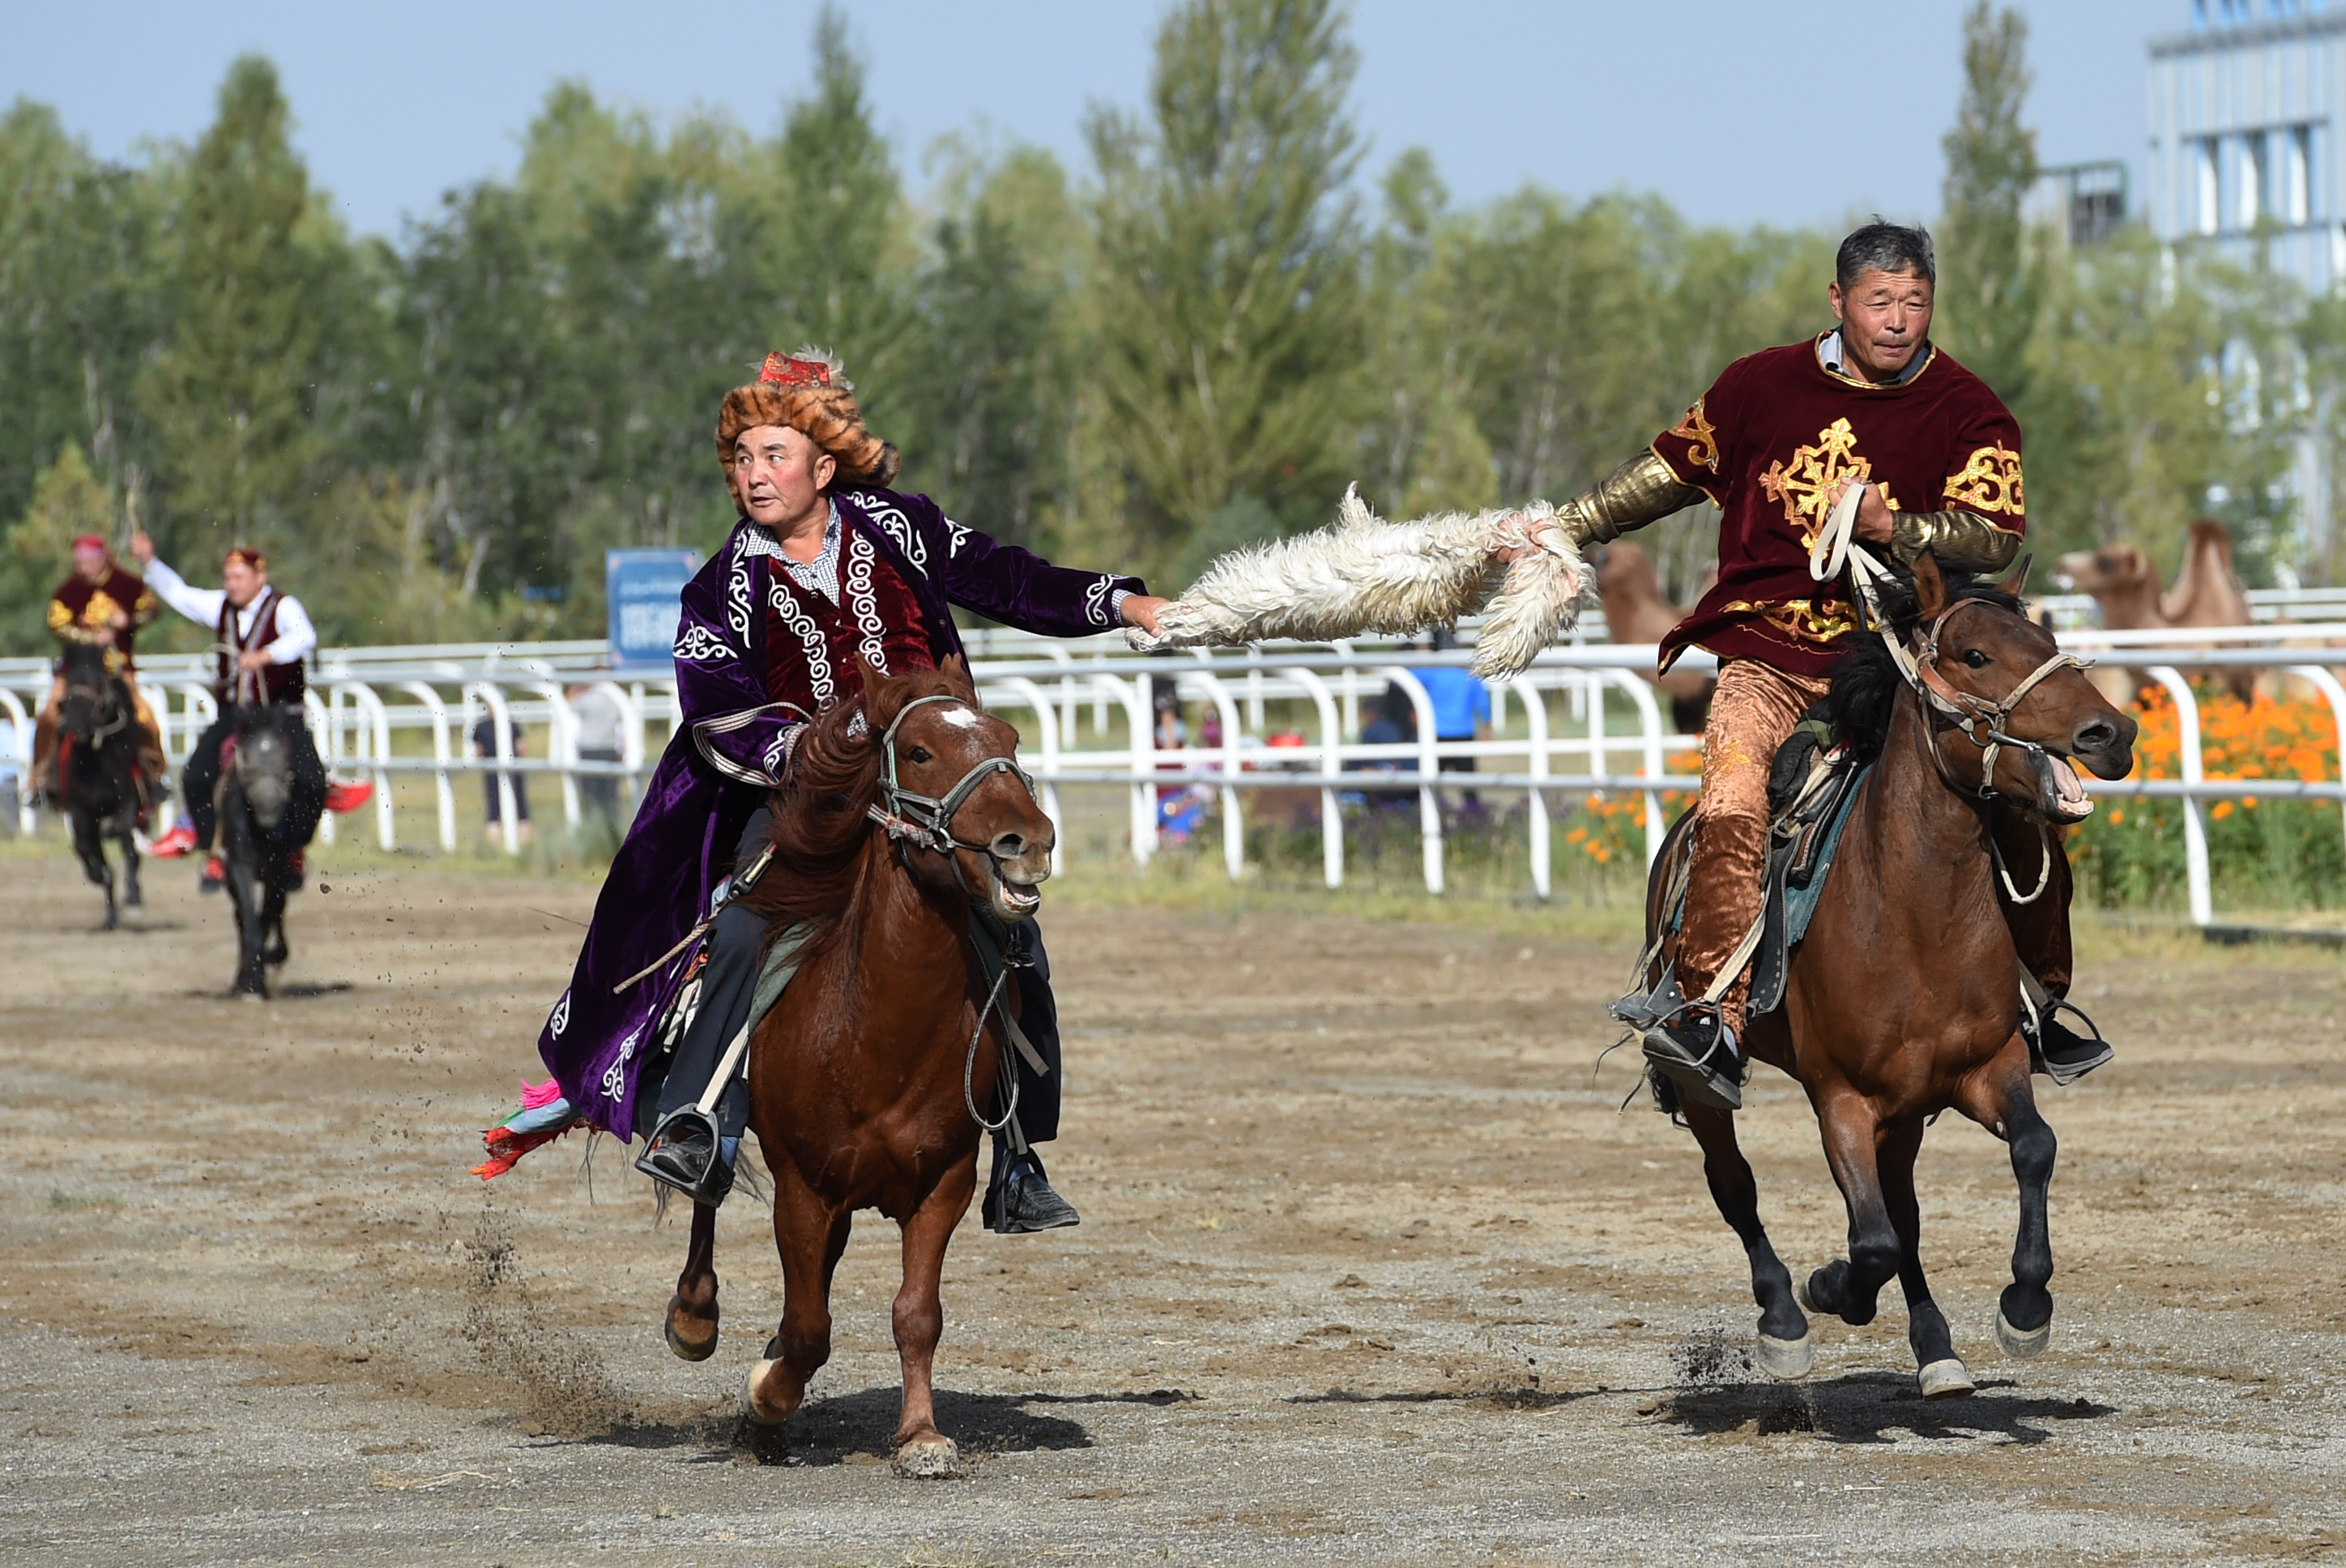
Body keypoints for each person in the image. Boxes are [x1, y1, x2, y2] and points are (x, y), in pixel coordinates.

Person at [530, 349, 1166, 1229]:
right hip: (803, 802)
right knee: (747, 921)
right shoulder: (719, 589)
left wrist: (1122, 605)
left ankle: (1017, 1155)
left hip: (925, 791)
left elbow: (1006, 578)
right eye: (741, 459)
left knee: (1014, 930)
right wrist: (814, 752)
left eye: (773, 455)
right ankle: (699, 1121)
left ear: (822, 466)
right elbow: (717, 715)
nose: (754, 475)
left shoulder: (898, 528)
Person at [1513, 221, 2106, 1110]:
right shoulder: (1759, 384)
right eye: (1879, 302)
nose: (1898, 320)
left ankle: (2035, 998)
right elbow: (1671, 469)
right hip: (1763, 651)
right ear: (1839, 302)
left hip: (1898, 655)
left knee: (2019, 792)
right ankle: (1707, 1012)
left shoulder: (1968, 409)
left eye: (1914, 301)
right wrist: (1569, 522)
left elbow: (1996, 533)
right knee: (1735, 793)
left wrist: (1892, 527)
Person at [137, 535, 327, 891]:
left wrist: (266, 655)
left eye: (238, 577)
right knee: (195, 777)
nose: (231, 585)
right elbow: (180, 595)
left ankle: (294, 849)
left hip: (280, 715)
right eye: (227, 578)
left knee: (312, 781)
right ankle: (214, 850)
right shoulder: (221, 606)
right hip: (236, 716)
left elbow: (304, 636)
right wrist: (150, 564)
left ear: (260, 576)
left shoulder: (284, 607)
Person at [32, 535, 166, 813]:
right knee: (49, 717)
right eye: (79, 562)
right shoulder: (67, 592)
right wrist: (89, 637)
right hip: (77, 673)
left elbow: (151, 610)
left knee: (144, 718)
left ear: (103, 558)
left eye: (89, 561)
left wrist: (127, 621)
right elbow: (56, 625)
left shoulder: (128, 585)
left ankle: (154, 776)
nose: (84, 567)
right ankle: (41, 778)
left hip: (119, 669)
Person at [567, 680, 627, 826]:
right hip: (610, 750)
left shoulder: (587, 699)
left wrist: (576, 688)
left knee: (591, 797)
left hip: (590, 750)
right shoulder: (616, 698)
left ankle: (594, 831)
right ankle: (612, 830)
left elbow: (568, 705)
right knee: (610, 797)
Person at [470, 712, 532, 848]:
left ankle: (497, 845)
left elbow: (477, 750)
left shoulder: (482, 725)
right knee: (517, 807)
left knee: (496, 808)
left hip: (494, 770)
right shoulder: (510, 723)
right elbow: (523, 747)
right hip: (509, 769)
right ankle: (521, 843)